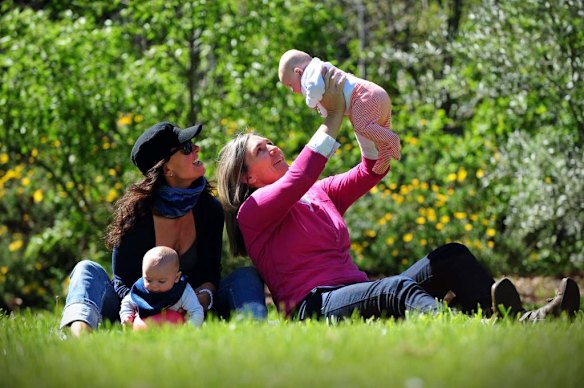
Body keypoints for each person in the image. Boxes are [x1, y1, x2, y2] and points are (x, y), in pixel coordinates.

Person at [217, 67, 580, 322]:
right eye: (261, 150)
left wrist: (366, 124)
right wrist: (334, 115)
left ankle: (521, 319)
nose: (274, 146)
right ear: (246, 176)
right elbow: (300, 175)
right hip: (317, 306)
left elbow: (371, 171)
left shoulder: (317, 193)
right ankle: (472, 328)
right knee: (396, 289)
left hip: (354, 291)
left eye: (270, 141)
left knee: (450, 257)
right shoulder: (254, 211)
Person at [60, 121, 267, 337]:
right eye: (186, 148)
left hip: (192, 312)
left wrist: (199, 300)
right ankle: (79, 339)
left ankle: (255, 337)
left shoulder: (209, 209)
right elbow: (121, 281)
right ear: (166, 168)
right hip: (134, 311)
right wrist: (146, 309)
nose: (196, 149)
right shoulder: (136, 215)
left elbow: (210, 272)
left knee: (246, 276)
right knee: (86, 270)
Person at [278, 49, 400, 174]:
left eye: (291, 85)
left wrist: (311, 102)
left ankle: (392, 139)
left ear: (298, 72)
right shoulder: (319, 66)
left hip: (362, 96)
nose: (293, 90)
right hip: (372, 93)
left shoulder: (311, 74)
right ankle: (384, 156)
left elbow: (316, 88)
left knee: (362, 127)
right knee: (377, 131)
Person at [120, 246, 204, 328]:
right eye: (148, 280)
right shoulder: (140, 289)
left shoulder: (183, 291)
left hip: (174, 328)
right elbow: (127, 303)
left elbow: (196, 311)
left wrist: (189, 329)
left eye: (161, 281)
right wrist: (126, 316)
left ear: (176, 277)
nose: (154, 285)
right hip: (143, 329)